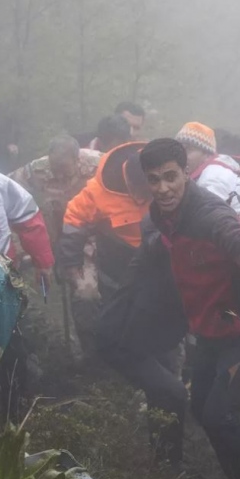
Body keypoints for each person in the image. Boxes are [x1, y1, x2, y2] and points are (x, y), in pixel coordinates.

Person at [136, 138, 240, 479]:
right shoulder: (161, 215)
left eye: (170, 177)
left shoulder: (206, 212)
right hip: (211, 331)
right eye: (154, 179)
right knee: (203, 410)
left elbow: (238, 236)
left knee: (220, 415)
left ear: (186, 174)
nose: (163, 188)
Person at [59, 141, 151, 353]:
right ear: (128, 178)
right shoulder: (100, 189)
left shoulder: (166, 179)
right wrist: (72, 263)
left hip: (151, 255)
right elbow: (74, 218)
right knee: (86, 294)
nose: (139, 199)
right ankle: (91, 349)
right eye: (136, 191)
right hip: (103, 249)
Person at [174, 122, 240, 242]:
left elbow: (204, 221)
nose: (181, 156)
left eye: (188, 150)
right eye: (179, 150)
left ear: (206, 152)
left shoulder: (212, 177)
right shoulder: (216, 167)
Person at [74, 102, 145, 148]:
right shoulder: (78, 144)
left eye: (136, 128)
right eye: (127, 125)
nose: (131, 132)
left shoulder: (142, 154)